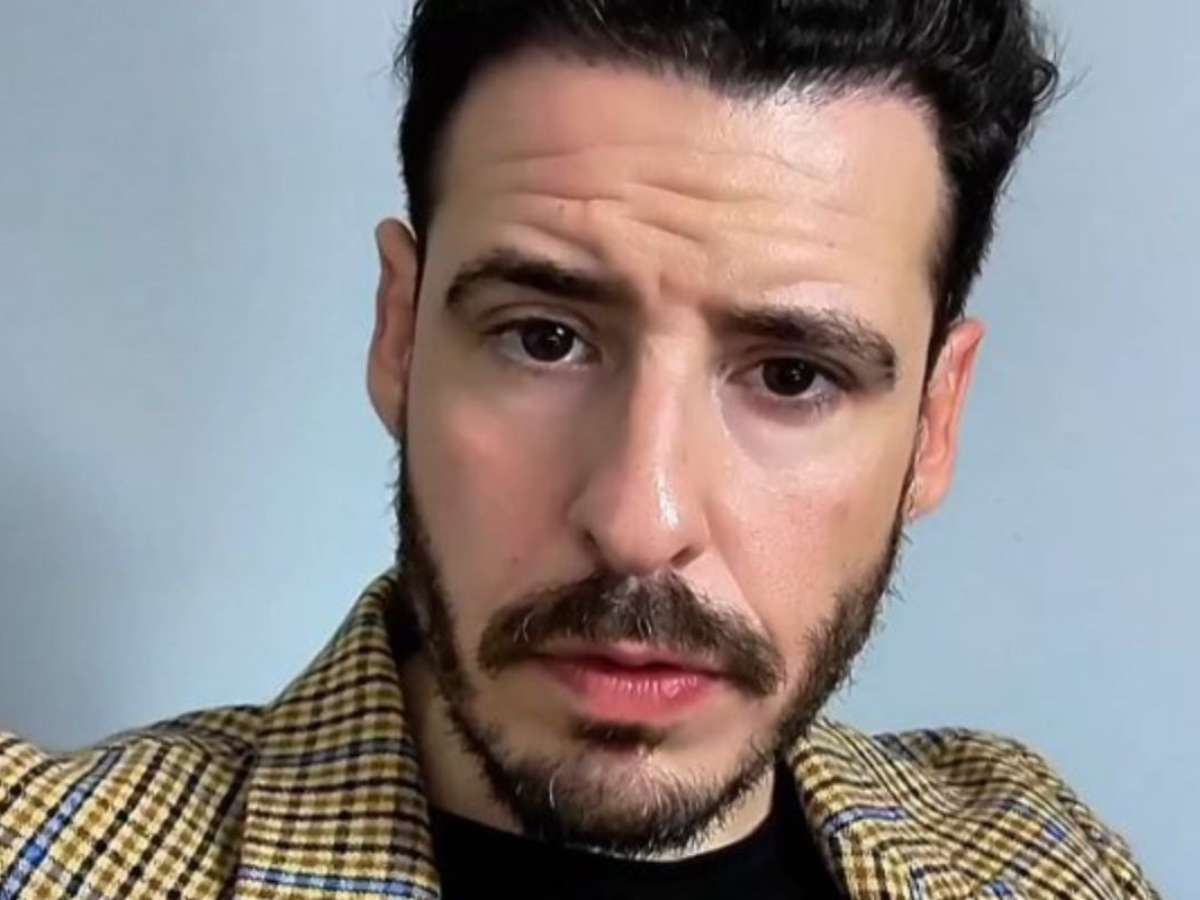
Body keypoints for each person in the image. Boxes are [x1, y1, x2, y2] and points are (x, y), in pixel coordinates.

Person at [0, 1, 1161, 897]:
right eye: (545, 339)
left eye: (792, 375)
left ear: (935, 423)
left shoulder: (1036, 850)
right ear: (401, 336)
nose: (640, 521)